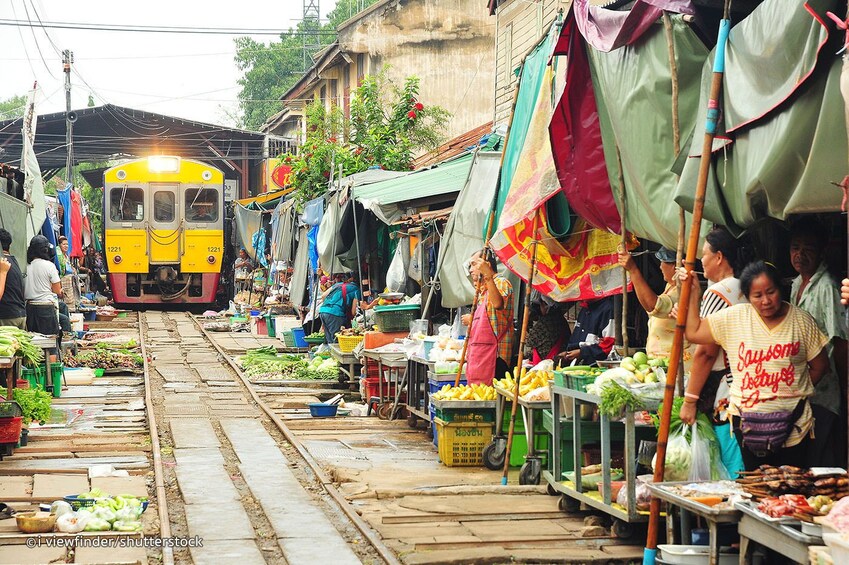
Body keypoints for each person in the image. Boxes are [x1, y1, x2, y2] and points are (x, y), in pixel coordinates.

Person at [682, 261, 830, 470]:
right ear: (747, 297)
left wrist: (791, 391)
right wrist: (693, 293)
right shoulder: (734, 317)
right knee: (757, 490)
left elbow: (821, 366)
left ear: (781, 289)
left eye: (771, 292)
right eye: (757, 296)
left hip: (796, 426)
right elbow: (694, 332)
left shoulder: (801, 321)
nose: (766, 301)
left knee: (792, 492)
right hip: (747, 425)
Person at [679, 226, 748, 477]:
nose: (701, 260)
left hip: (727, 393)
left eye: (705, 254)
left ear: (719, 257)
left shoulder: (719, 292)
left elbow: (706, 351)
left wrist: (689, 400)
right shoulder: (743, 287)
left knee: (732, 469)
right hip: (747, 387)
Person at [788, 218, 847, 466]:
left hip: (825, 391)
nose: (800, 254)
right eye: (795, 247)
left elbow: (840, 341)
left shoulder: (827, 287)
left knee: (823, 463)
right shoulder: (796, 284)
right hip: (805, 392)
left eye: (808, 248)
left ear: (821, 250)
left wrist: (845, 389)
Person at [618, 246, 694, 372]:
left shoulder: (684, 291)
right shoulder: (671, 286)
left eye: (662, 262)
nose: (660, 267)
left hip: (678, 366)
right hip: (661, 364)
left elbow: (654, 306)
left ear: (673, 266)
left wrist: (633, 270)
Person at [462, 250, 514, 385]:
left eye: (474, 265)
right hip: (481, 355)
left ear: (487, 265)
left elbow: (497, 304)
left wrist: (488, 275)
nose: (471, 270)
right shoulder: (483, 290)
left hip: (496, 357)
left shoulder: (501, 282)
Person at [24, 235, 68, 337]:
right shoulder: (49, 266)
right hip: (46, 308)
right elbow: (57, 290)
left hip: (29, 308)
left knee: (35, 342)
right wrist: (61, 291)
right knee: (51, 342)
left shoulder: (25, 266)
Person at [557, 295, 615, 366]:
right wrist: (568, 353)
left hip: (595, 367)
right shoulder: (584, 308)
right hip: (578, 366)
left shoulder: (608, 309)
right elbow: (575, 338)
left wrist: (582, 352)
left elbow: (608, 347)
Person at [524, 295, 569, 364]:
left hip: (546, 361)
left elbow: (530, 341)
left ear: (545, 305)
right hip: (560, 358)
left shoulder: (545, 321)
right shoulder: (562, 319)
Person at [319, 273, 361, 344]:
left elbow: (323, 296)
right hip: (335, 314)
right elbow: (353, 311)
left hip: (323, 311)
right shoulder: (356, 289)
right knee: (336, 340)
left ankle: (330, 353)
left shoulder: (337, 285)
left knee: (329, 339)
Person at [0, 229, 26, 329]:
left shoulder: (2, 264)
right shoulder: (14, 261)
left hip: (7, 316)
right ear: (9, 246)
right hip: (20, 313)